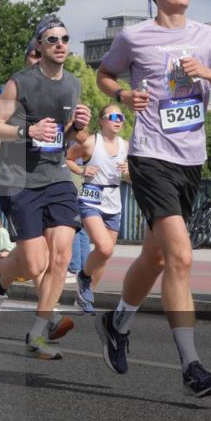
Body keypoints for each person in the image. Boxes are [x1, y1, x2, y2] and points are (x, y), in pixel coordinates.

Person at [95, 0, 211, 397]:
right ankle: (191, 365)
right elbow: (104, 74)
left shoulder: (208, 37)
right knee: (180, 257)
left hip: (191, 160)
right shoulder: (134, 38)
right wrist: (123, 94)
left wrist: (209, 76)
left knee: (156, 257)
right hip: (151, 156)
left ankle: (117, 322)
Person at [0, 16, 91, 360]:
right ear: (38, 46)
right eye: (51, 38)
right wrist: (27, 132)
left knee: (62, 255)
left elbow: (63, 137)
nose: (59, 43)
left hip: (56, 176)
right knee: (33, 261)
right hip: (19, 178)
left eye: (65, 38)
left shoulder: (72, 85)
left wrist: (76, 129)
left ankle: (38, 334)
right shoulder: (19, 84)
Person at [66, 103, 131, 314]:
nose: (118, 121)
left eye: (121, 118)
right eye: (113, 117)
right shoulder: (90, 143)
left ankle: (84, 296)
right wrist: (82, 169)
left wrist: (129, 172)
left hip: (114, 198)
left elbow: (132, 177)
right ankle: (84, 276)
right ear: (102, 120)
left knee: (104, 256)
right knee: (104, 247)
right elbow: (68, 158)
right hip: (91, 196)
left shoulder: (125, 146)